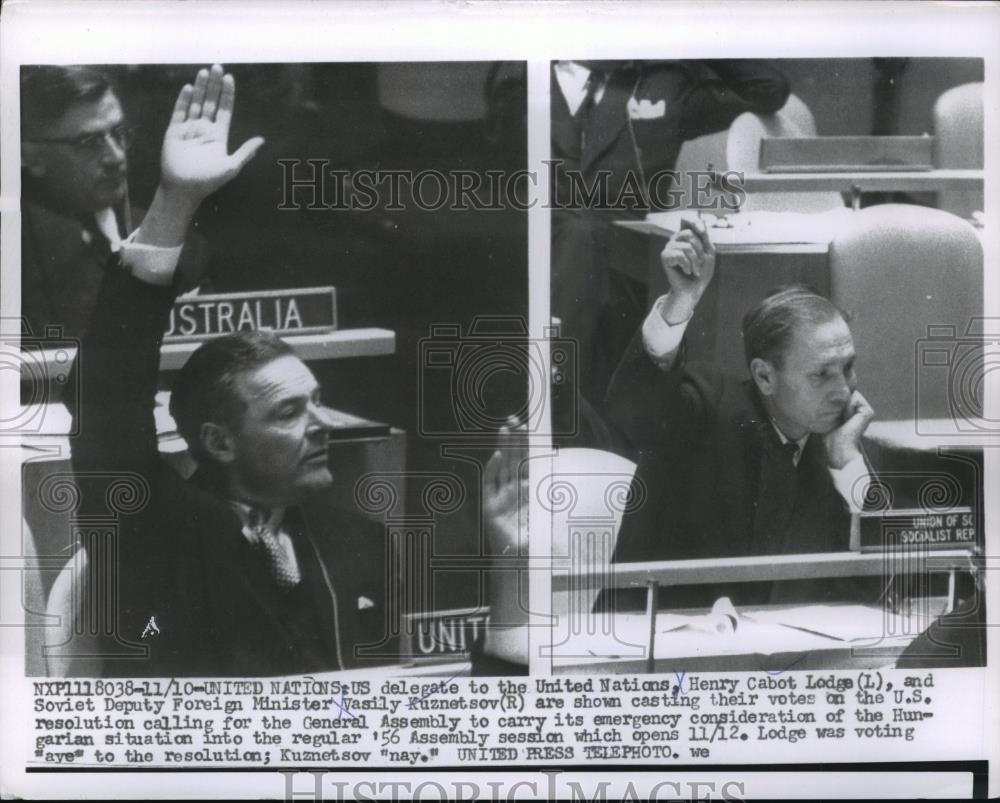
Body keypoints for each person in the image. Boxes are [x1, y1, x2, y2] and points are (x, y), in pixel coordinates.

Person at [67, 65, 397, 677]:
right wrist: (176, 202)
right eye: (289, 411)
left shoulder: (359, 539)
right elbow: (105, 401)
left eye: (316, 400)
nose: (322, 424)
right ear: (218, 441)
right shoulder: (150, 530)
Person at [603, 219, 879, 609]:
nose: (844, 389)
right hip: (654, 640)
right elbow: (633, 408)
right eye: (821, 374)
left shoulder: (837, 442)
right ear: (765, 377)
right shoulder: (707, 406)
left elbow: (867, 589)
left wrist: (848, 466)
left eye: (848, 367)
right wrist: (680, 300)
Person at [549, 59, 791, 415]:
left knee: (586, 242)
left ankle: (551, 407)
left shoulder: (661, 84)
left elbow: (768, 89)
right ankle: (553, 410)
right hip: (541, 250)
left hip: (626, 258)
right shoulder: (524, 74)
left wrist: (688, 33)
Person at [20, 66, 205, 340]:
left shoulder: (177, 240)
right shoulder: (17, 256)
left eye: (118, 133)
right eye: (89, 141)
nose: (116, 156)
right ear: (30, 156)